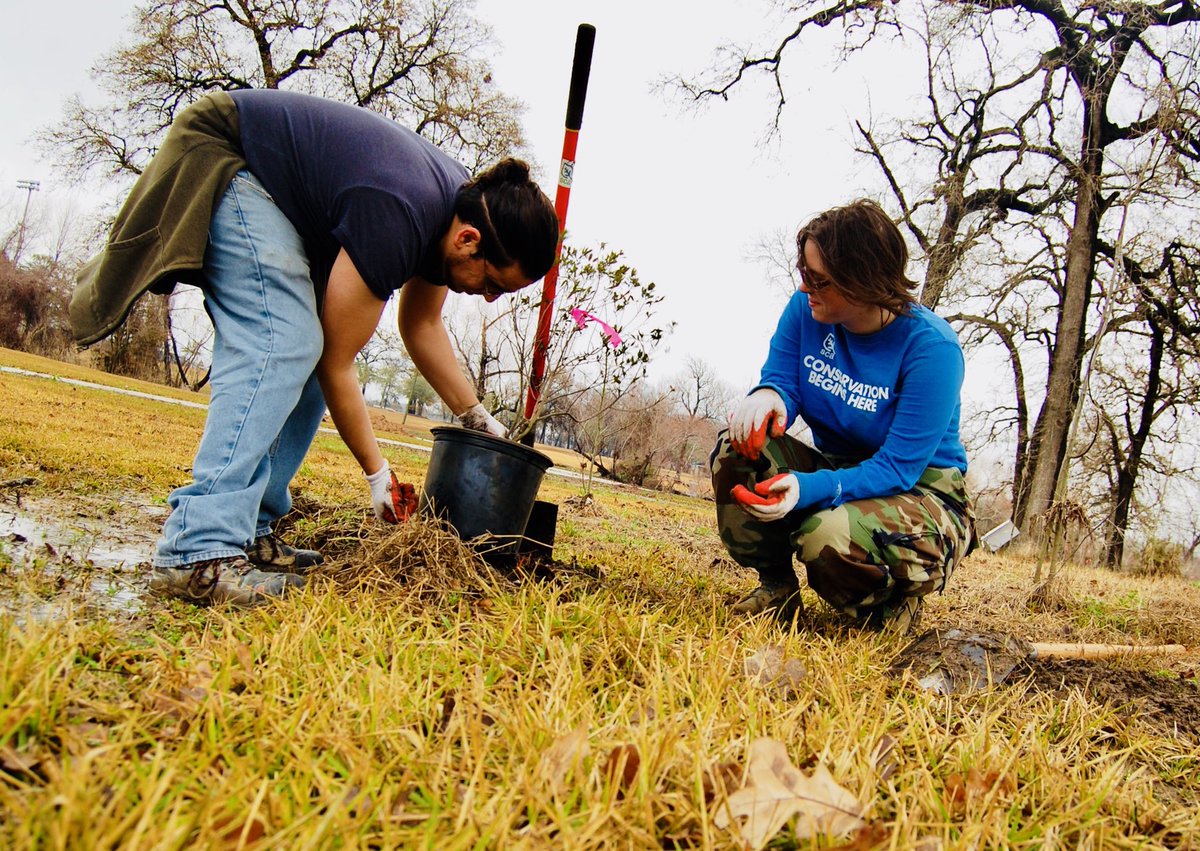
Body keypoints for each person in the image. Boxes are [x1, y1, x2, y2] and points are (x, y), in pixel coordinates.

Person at [70, 89, 559, 607]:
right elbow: (337, 361)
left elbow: (421, 326)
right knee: (286, 340)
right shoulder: (401, 210)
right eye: (493, 285)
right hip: (229, 158)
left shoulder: (458, 212)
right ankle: (197, 549)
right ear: (469, 242)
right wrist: (378, 475)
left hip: (271, 192)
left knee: (307, 345)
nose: (487, 298)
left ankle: (248, 530)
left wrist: (478, 419)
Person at [710, 199, 975, 632]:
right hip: (840, 463)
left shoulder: (933, 350)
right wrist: (769, 396)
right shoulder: (806, 311)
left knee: (825, 534)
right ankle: (776, 589)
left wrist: (810, 487)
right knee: (735, 452)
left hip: (920, 491)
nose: (804, 288)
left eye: (819, 279)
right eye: (803, 273)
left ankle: (890, 607)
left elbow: (897, 467)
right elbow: (783, 378)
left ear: (864, 282)